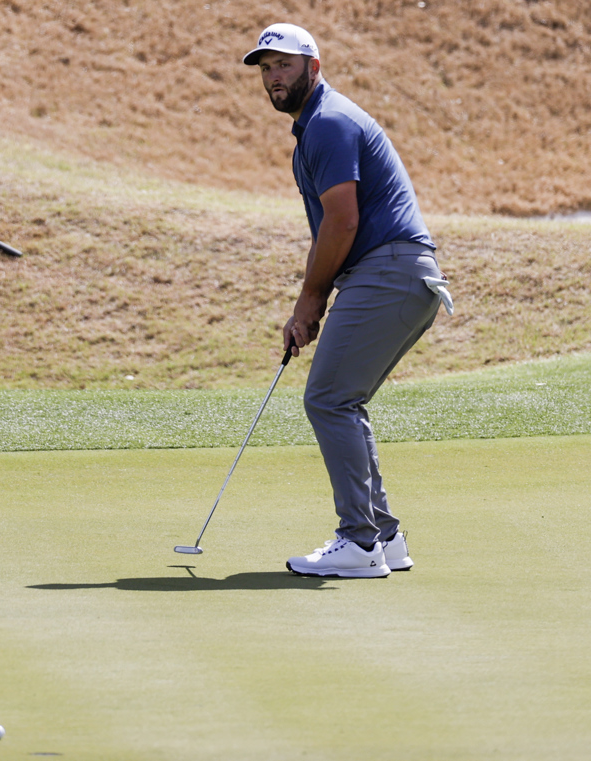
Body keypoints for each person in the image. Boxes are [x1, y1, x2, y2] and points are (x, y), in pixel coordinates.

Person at [242, 23, 453, 578]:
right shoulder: (315, 129)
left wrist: (311, 298)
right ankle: (385, 538)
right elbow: (328, 232)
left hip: (389, 271)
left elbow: (343, 221)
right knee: (342, 400)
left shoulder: (329, 123)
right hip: (396, 275)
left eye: (285, 64)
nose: (274, 77)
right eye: (266, 68)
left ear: (313, 67)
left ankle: (359, 543)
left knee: (329, 399)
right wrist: (308, 303)